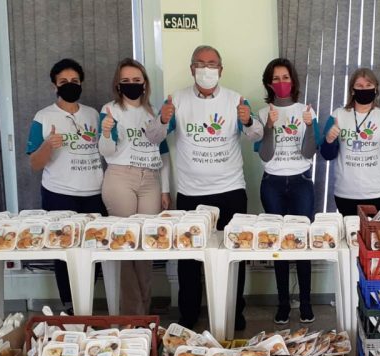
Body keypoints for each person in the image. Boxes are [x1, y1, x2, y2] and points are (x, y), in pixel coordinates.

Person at [146, 45, 263, 330]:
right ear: (191, 69)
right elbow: (153, 137)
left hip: (230, 189)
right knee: (189, 258)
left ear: (221, 69)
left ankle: (233, 310)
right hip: (191, 192)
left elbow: (257, 135)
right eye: (200, 63)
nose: (206, 69)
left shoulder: (236, 100)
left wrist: (248, 120)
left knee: (232, 253)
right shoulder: (176, 100)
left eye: (212, 64)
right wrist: (163, 118)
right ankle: (188, 313)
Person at [26, 58, 105, 314]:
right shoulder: (43, 117)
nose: (70, 85)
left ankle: (87, 303)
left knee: (93, 250)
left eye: (74, 81)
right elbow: (34, 163)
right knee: (64, 251)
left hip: (93, 193)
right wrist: (48, 145)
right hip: (59, 194)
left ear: (81, 83)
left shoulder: (93, 114)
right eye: (63, 82)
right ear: (54, 86)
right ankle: (70, 307)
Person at [98, 58, 171, 315]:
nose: (132, 84)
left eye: (136, 80)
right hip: (121, 177)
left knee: (146, 244)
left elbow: (163, 152)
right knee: (126, 244)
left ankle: (144, 312)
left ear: (145, 83)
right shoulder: (110, 110)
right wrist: (106, 132)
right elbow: (106, 152)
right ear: (118, 85)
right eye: (126, 81)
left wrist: (165, 189)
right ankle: (133, 315)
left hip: (150, 178)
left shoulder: (153, 112)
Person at [255, 58, 319, 325]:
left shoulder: (306, 111)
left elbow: (309, 152)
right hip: (273, 183)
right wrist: (270, 126)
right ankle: (283, 303)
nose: (281, 83)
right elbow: (265, 155)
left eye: (285, 77)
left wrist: (309, 126)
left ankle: (305, 303)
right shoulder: (262, 113)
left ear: (293, 81)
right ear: (269, 83)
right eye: (276, 78)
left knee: (302, 244)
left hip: (301, 181)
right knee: (278, 246)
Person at [320, 67, 380, 216]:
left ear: (376, 89)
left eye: (368, 85)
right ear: (352, 90)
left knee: (379, 232)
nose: (364, 89)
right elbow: (327, 155)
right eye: (359, 86)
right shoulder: (338, 115)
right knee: (350, 232)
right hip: (346, 194)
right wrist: (329, 140)